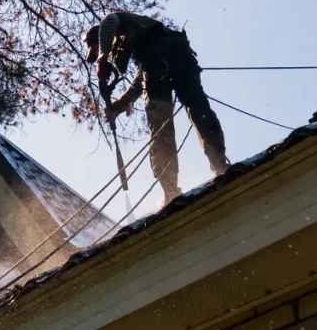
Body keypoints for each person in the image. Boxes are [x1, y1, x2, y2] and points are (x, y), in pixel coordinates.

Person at [84, 12, 229, 204]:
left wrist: (102, 59)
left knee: (169, 122)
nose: (105, 53)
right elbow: (139, 83)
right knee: (185, 115)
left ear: (98, 41)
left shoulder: (112, 23)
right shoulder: (135, 44)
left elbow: (108, 22)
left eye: (96, 49)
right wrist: (117, 107)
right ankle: (174, 185)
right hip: (170, 62)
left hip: (173, 60)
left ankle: (216, 166)